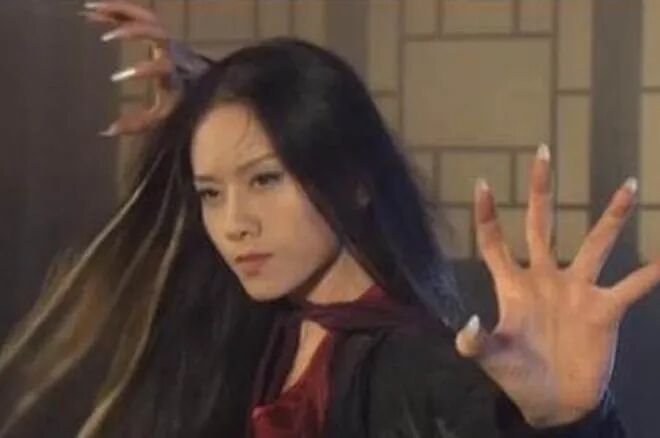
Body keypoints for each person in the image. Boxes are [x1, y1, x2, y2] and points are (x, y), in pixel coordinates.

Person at [1, 1, 658, 436]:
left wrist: (575, 421)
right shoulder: (254, 330)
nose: (234, 224)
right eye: (210, 193)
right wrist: (214, 92)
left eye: (265, 180)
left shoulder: (421, 367)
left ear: (353, 181)